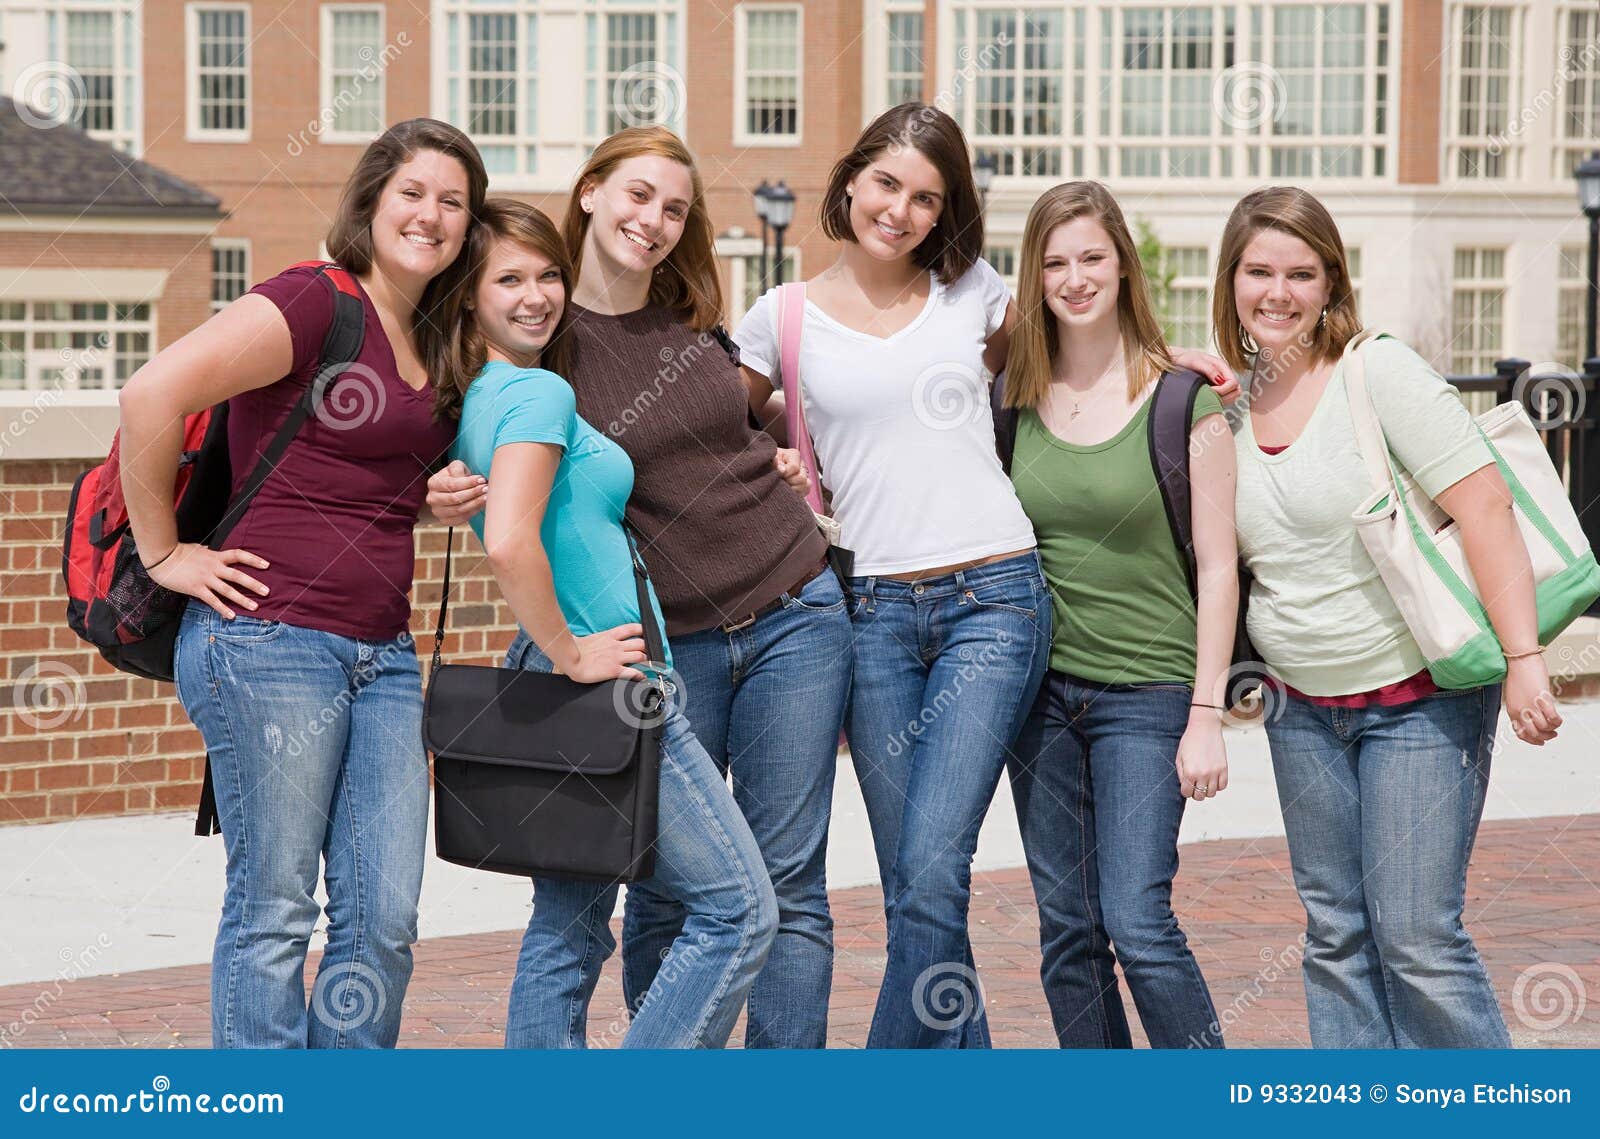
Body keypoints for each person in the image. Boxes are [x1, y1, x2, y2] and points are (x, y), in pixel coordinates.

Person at [428, 126, 851, 1048]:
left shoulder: (686, 311)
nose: (653, 221)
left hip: (790, 603)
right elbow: (499, 508)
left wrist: (777, 452)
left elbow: (729, 423)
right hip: (645, 648)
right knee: (684, 899)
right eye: (636, 195)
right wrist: (431, 492)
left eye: (674, 207)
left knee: (779, 884)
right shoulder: (541, 356)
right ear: (589, 192)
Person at [117, 118, 487, 1047]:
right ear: (371, 201)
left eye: (452, 200)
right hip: (268, 641)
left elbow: (350, 483)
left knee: (383, 920)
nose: (430, 215)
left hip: (385, 656)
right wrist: (166, 556)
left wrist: (426, 502)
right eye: (413, 192)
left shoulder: (438, 339)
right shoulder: (315, 300)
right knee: (276, 908)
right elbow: (150, 395)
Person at [1215, 185, 1560, 1048]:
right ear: (1230, 281)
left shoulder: (1378, 372)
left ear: (1331, 283)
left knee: (1416, 939)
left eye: (1302, 272)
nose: (1279, 292)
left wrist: (1524, 657)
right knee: (1336, 936)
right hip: (1300, 708)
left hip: (1418, 700)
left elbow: (1485, 505)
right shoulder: (1226, 405)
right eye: (1259, 271)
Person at [1001, 181, 1231, 1049]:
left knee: (1137, 919)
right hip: (1044, 696)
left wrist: (1206, 713)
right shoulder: (1011, 397)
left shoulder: (1185, 401)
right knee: (1067, 930)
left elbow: (1218, 568)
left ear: (1123, 264)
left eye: (1092, 256)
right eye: (1055, 262)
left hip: (1151, 691)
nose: (1074, 276)